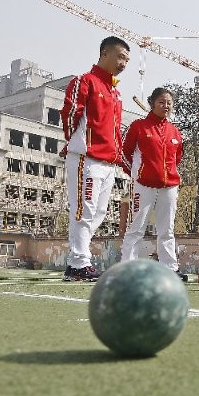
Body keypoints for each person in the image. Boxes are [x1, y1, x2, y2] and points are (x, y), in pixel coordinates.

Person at [60, 36, 130, 281]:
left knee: (99, 213)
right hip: (86, 159)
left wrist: (120, 161)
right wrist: (78, 143)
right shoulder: (85, 82)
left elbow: (116, 132)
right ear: (104, 53)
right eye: (120, 56)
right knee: (84, 210)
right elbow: (70, 114)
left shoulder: (116, 93)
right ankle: (80, 263)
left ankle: (76, 262)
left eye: (127, 60)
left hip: (108, 164)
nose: (124, 63)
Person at [120, 87, 186, 281]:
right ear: (152, 103)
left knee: (167, 229)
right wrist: (136, 174)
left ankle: (170, 268)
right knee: (136, 227)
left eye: (169, 103)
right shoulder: (138, 127)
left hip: (170, 187)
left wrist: (168, 175)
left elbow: (177, 158)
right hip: (144, 185)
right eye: (161, 102)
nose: (166, 106)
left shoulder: (175, 131)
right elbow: (125, 153)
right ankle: (127, 268)